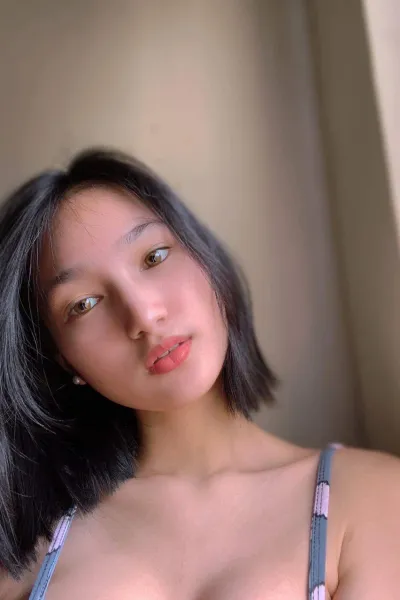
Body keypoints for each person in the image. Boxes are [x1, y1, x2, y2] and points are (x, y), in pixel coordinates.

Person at [0, 148, 398, 600]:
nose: (143, 315)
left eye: (154, 257)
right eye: (84, 304)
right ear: (63, 359)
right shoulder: (26, 547)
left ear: (206, 259)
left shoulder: (374, 498)